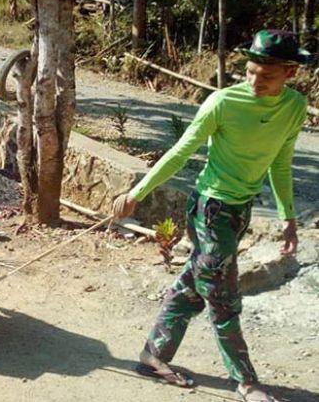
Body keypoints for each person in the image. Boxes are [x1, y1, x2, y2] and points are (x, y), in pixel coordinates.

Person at [112, 29, 310, 402]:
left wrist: (288, 217)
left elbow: (280, 164)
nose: (253, 81)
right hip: (210, 209)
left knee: (192, 286)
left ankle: (153, 355)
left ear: (290, 73)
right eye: (249, 71)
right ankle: (246, 381)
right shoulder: (222, 102)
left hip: (241, 210)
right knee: (223, 297)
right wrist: (137, 193)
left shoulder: (294, 107)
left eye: (265, 76)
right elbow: (180, 152)